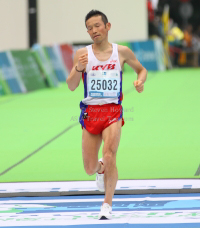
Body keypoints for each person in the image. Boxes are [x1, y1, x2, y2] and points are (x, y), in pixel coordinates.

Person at [66, 10, 147, 220]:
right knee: (89, 167)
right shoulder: (82, 54)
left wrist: (140, 82)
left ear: (107, 26)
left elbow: (142, 70)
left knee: (110, 153)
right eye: (89, 28)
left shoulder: (122, 52)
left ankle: (107, 204)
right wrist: (78, 68)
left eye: (97, 26)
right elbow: (71, 86)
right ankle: (100, 169)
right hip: (91, 113)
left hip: (112, 111)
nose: (93, 31)